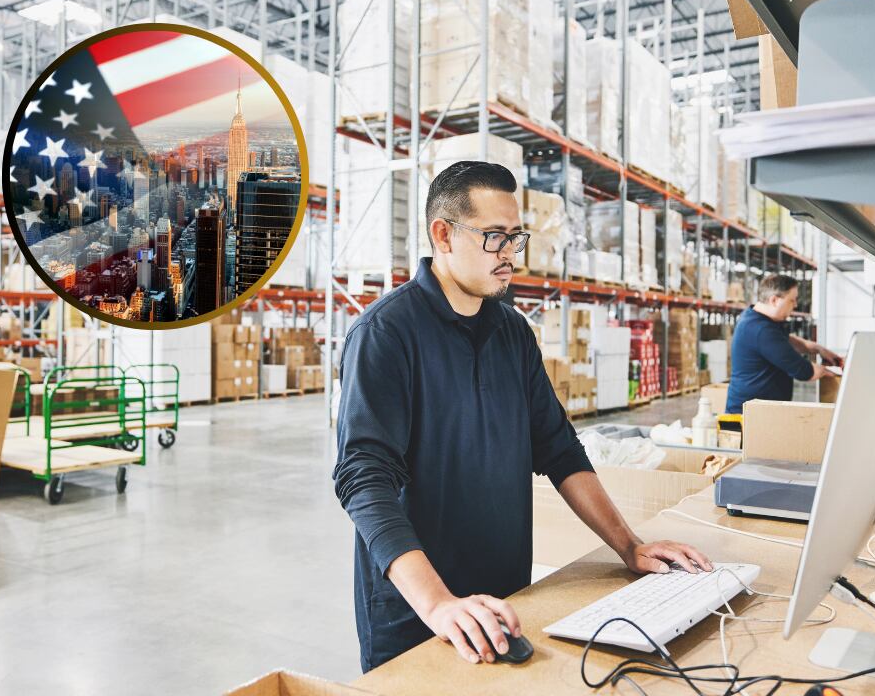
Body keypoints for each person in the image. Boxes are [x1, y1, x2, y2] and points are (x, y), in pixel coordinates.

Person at [333, 161, 712, 673]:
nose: (510, 255)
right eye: (494, 238)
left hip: (508, 600)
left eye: (516, 237)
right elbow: (364, 480)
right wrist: (438, 604)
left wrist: (631, 547)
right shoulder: (386, 334)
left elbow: (559, 448)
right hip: (418, 613)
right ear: (442, 235)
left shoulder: (513, 333)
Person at [725, 274, 842, 415]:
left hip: (760, 411)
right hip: (748, 416)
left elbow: (786, 340)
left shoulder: (756, 317)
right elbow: (805, 372)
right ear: (774, 300)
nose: (795, 305)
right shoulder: (761, 330)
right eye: (791, 300)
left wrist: (818, 349)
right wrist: (832, 370)